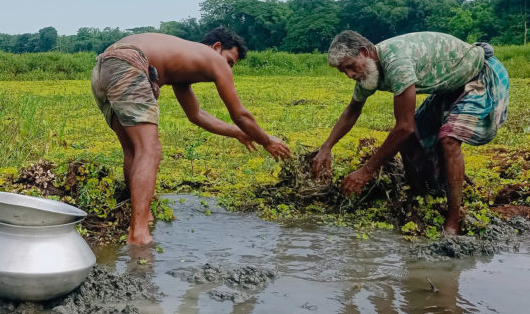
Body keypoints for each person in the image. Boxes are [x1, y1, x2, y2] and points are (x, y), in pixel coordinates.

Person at [91, 27, 291, 245]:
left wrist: (238, 134)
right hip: (129, 62)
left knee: (133, 148)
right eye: (229, 61)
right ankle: (138, 233)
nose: (228, 67)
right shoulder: (214, 60)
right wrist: (267, 141)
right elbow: (240, 114)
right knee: (150, 149)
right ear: (216, 48)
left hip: (103, 67)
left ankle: (143, 216)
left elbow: (196, 115)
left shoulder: (182, 68)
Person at [312, 30, 509, 235]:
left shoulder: (396, 61)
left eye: (350, 66)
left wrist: (366, 171)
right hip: (449, 87)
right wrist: (326, 147)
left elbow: (404, 126)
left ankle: (453, 219)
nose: (350, 75)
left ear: (364, 52)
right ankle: (420, 196)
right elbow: (353, 109)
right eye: (344, 71)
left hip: (478, 76)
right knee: (408, 139)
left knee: (449, 140)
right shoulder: (368, 72)